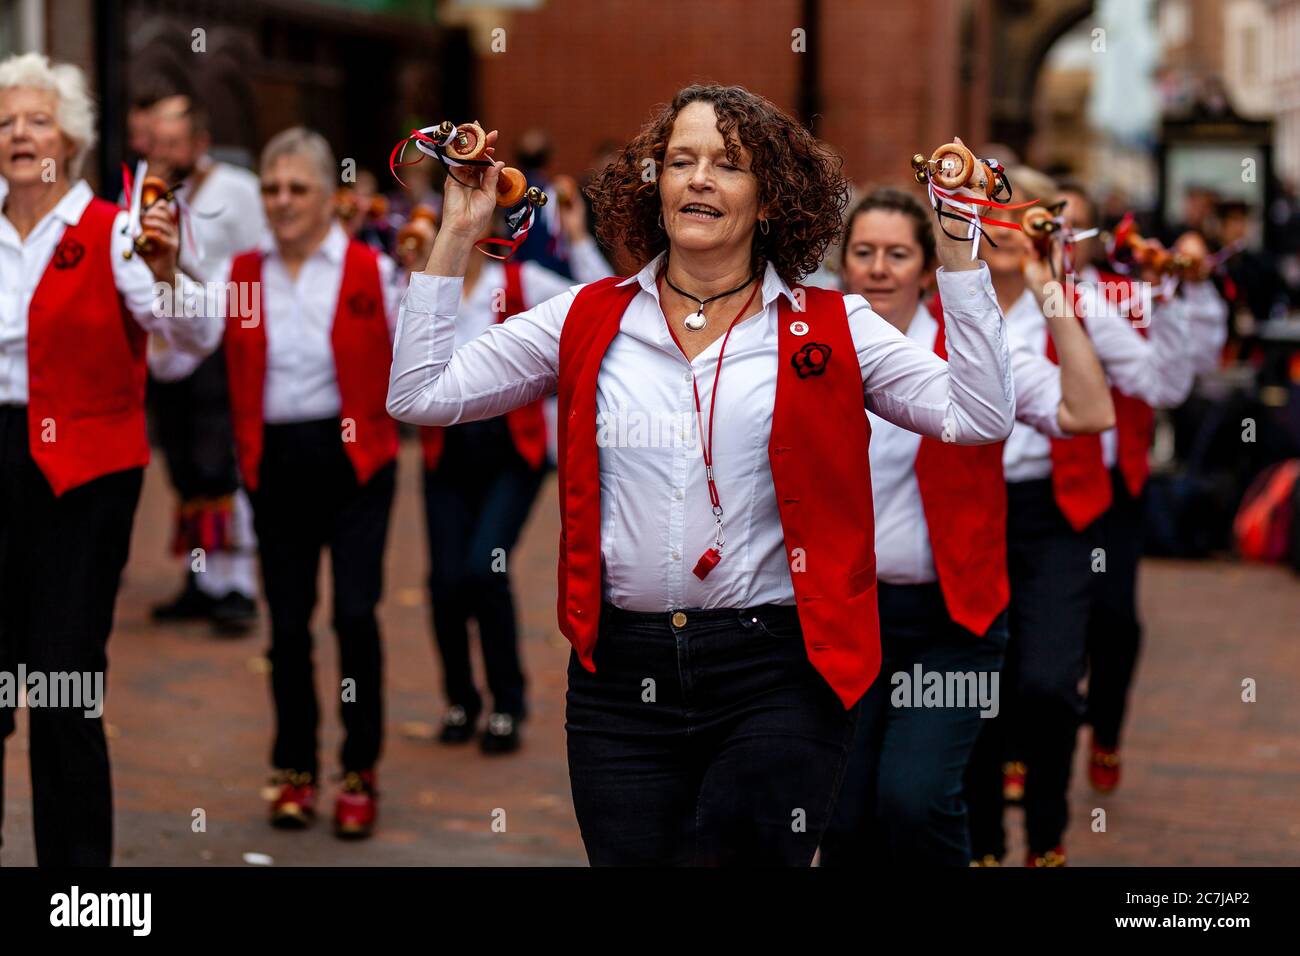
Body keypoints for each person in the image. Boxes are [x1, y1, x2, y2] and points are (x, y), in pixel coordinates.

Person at [388, 84, 1015, 865]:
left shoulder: (834, 325)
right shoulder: (587, 317)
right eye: (679, 160)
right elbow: (420, 392)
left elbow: (978, 417)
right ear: (654, 186)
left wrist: (960, 251)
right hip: (621, 675)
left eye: (729, 164)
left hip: (778, 669)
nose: (699, 179)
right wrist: (457, 231)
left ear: (771, 197)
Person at [818, 186, 1114, 866]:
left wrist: (1046, 289)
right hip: (842, 622)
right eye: (864, 253)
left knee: (915, 798)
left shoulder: (975, 350)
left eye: (898, 254)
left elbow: (1089, 412)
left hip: (951, 626)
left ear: (927, 269)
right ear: (845, 266)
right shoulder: (813, 351)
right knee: (842, 815)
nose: (879, 268)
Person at [0, 52, 219, 865]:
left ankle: (79, 896)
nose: (20, 134)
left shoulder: (118, 230)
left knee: (62, 687)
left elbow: (194, 336)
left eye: (37, 119)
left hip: (84, 474)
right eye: (6, 122)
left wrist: (167, 277)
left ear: (73, 138)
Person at [964, 167, 1197, 867]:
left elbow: (1162, 382)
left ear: (1049, 230)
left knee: (1048, 681)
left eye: (1023, 213)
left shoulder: (1079, 303)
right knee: (977, 685)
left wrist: (1181, 296)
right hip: (963, 514)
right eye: (992, 209)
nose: (1005, 223)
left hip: (1057, 513)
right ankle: (981, 846)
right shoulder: (940, 302)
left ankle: (1046, 835)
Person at [177, 127, 403, 838]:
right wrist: (160, 273)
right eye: (271, 188)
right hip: (275, 461)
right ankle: (294, 770)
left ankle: (360, 771)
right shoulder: (244, 275)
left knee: (356, 615)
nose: (280, 201)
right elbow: (184, 335)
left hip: (357, 458)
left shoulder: (370, 269)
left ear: (329, 197)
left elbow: (428, 345)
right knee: (287, 624)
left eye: (296, 188)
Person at [399, 192, 613, 755]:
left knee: (482, 569)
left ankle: (508, 703)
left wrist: (579, 239)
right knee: (444, 581)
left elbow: (603, 302)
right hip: (446, 451)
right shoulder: (420, 285)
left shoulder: (523, 282)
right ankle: (460, 699)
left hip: (511, 453)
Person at [1058, 183, 1228, 793]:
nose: (1064, 239)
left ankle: (1105, 729)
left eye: (1075, 227)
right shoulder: (1013, 292)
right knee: (1039, 622)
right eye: (1054, 224)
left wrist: (1190, 286)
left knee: (1115, 620)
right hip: (1031, 482)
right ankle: (1028, 745)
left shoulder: (1119, 296)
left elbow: (1191, 366)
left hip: (1110, 482)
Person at [145, 92, 266, 634]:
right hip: (170, 343)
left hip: (220, 338)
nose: (166, 154)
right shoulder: (153, 193)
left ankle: (236, 584)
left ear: (201, 142)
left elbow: (257, 263)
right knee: (184, 467)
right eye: (157, 144)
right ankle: (201, 578)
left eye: (175, 144)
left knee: (219, 462)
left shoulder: (237, 192)